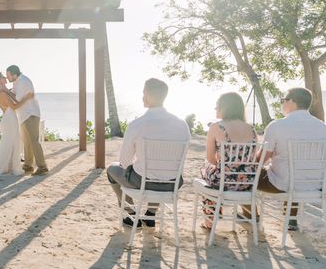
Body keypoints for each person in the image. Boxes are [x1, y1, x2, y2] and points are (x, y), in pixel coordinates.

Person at [107, 78, 190, 227]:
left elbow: (124, 162)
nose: (142, 96)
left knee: (112, 169)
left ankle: (131, 213)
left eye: (144, 93)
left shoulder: (137, 125)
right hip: (173, 184)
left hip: (143, 183)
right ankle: (150, 215)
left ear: (149, 96)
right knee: (158, 171)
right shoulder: (182, 125)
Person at [244, 87, 326, 231]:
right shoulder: (322, 127)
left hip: (282, 185)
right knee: (294, 173)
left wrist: (247, 163)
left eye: (283, 100)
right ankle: (291, 219)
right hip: (313, 185)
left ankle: (249, 213)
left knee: (243, 174)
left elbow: (260, 161)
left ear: (292, 102)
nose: (282, 103)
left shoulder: (277, 126)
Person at [199, 92, 258, 230]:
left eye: (217, 106)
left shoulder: (216, 127)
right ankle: (213, 216)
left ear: (225, 107)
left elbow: (210, 158)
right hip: (246, 182)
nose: (215, 109)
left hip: (223, 182)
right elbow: (252, 158)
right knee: (212, 173)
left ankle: (210, 219)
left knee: (205, 169)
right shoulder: (251, 129)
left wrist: (219, 165)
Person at [0, 73, 34, 176]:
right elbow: (15, 106)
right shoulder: (1, 93)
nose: (5, 78)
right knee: (11, 142)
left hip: (10, 118)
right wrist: (27, 98)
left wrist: (9, 91)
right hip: (10, 118)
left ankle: (12, 167)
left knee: (14, 141)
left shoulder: (3, 91)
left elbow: (14, 100)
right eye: (3, 77)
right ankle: (12, 168)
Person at [6, 65, 48, 175]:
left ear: (14, 74)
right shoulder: (16, 83)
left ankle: (42, 167)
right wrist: (6, 91)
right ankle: (28, 166)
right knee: (27, 142)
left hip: (31, 114)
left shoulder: (23, 82)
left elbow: (16, 100)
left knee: (33, 141)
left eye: (8, 75)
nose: (7, 78)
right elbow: (14, 94)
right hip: (23, 115)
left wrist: (6, 92)